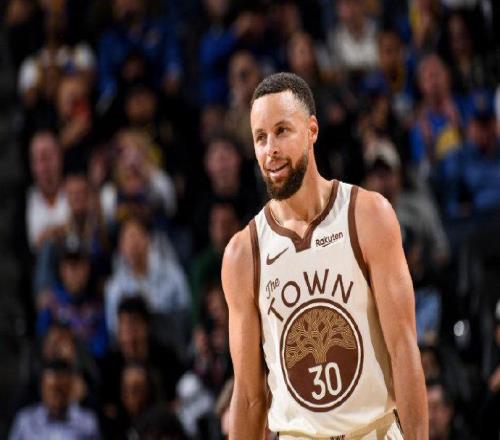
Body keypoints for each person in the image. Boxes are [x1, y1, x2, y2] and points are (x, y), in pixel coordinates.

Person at [222, 72, 427, 439]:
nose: (270, 149)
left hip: (374, 431)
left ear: (311, 130)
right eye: (260, 137)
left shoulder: (368, 215)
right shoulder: (243, 253)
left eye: (282, 131)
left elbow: (403, 351)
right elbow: (250, 397)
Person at [9, 359, 100, 440]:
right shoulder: (25, 421)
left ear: (70, 389)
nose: (55, 396)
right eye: (50, 389)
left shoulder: (87, 422)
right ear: (42, 388)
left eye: (60, 390)